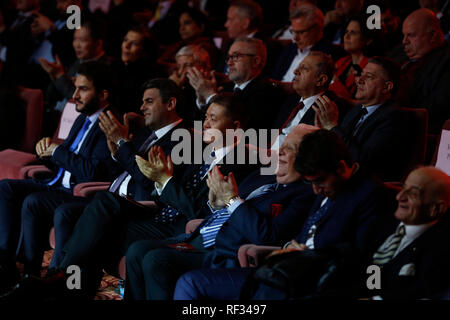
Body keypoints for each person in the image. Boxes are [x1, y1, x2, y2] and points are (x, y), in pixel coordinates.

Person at [20, 92, 257, 299]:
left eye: (213, 119)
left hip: (182, 228)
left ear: (235, 126)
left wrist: (164, 180)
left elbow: (199, 213)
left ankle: (65, 281)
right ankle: (67, 283)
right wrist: (160, 179)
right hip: (159, 213)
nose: (205, 123)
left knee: (100, 234)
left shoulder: (242, 162)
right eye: (205, 117)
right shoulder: (198, 150)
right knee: (103, 206)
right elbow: (166, 189)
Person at [174, 129, 396, 300]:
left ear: (340, 168)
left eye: (318, 182)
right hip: (288, 269)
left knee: (191, 283)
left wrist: (313, 254)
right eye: (312, 183)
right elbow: (306, 232)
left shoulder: (371, 196)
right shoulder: (327, 183)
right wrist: (291, 248)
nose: (316, 190)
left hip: (318, 281)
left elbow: (369, 260)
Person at [125, 124, 318, 300]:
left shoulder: (304, 193)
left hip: (225, 252)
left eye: (290, 148)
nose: (280, 152)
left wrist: (231, 200)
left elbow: (265, 234)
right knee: (137, 250)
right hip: (202, 234)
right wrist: (216, 205)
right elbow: (227, 205)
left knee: (155, 260)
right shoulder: (262, 176)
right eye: (282, 146)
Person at [0, 61, 117, 295]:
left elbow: (93, 172)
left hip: (78, 191)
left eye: (83, 89)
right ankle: (7, 265)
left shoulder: (109, 124)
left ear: (103, 94)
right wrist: (45, 151)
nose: (74, 95)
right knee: (6, 188)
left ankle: (39, 278)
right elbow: (63, 156)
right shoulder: (83, 117)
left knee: (34, 201)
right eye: (75, 88)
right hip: (57, 181)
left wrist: (57, 151)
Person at [313, 56, 417, 182]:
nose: (359, 80)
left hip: (361, 184)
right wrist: (322, 132)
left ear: (387, 87)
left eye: (369, 77)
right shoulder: (356, 110)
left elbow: (363, 161)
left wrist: (332, 127)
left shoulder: (395, 118)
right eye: (361, 74)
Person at [360, 166, 450, 300]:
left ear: (436, 208)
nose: (399, 196)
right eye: (403, 188)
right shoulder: (382, 221)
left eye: (413, 193)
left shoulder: (441, 252)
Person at [188, 37, 283, 130]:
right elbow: (199, 129)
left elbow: (243, 132)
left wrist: (210, 96)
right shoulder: (224, 88)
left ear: (255, 61)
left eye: (235, 57)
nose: (229, 63)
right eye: (228, 57)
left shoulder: (268, 93)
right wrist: (202, 101)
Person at [40, 18, 113, 136]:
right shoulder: (78, 62)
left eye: (83, 40)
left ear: (98, 43)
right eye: (75, 40)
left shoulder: (106, 67)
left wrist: (60, 77)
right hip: (58, 115)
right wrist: (54, 75)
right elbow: (53, 96)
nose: (77, 45)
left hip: (80, 121)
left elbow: (79, 99)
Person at [271, 51, 352, 149]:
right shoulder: (291, 100)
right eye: (298, 67)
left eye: (304, 68)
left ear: (321, 80)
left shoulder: (331, 108)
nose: (295, 71)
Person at [395, 8, 450, 135]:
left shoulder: (446, 63)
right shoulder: (399, 53)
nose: (404, 41)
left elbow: (436, 108)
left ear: (433, 35)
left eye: (411, 35)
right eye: (404, 35)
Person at [271, 3, 346, 82]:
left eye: (301, 32)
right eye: (293, 32)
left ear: (317, 29)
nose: (295, 38)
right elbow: (274, 77)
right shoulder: (290, 49)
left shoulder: (329, 54)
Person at [329, 15, 382, 99]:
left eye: (353, 33)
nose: (346, 36)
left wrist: (334, 80)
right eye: (346, 32)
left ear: (367, 40)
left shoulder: (372, 68)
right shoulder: (341, 61)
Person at [215, 0, 264, 73]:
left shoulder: (264, 47)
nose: (226, 24)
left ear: (245, 23)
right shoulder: (230, 43)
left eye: (230, 19)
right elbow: (220, 72)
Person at [168, 44, 212, 125]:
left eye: (187, 66)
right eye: (178, 67)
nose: (181, 72)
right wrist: (172, 88)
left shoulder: (219, 89)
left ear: (205, 67)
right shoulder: (182, 88)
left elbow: (197, 125)